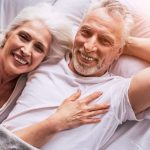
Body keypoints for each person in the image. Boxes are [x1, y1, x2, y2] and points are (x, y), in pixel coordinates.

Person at [2, 0, 150, 149]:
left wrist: (127, 43)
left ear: (119, 51)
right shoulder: (48, 57)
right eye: (86, 32)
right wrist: (57, 122)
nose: (89, 46)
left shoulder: (119, 94)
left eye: (104, 41)